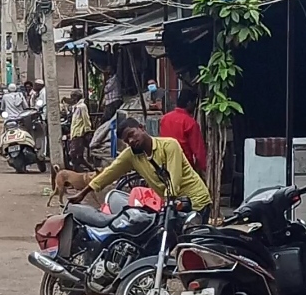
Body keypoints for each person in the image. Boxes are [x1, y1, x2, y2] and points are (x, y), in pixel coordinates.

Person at [69, 118, 212, 222]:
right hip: (173, 206)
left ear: (142, 128)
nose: (131, 141)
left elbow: (173, 182)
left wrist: (166, 206)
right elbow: (109, 173)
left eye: (132, 134)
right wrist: (83, 193)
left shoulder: (169, 146)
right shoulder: (131, 155)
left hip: (196, 202)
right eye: (126, 140)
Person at [158, 89, 207, 174]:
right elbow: (199, 151)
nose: (195, 106)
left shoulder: (165, 118)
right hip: (184, 166)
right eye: (194, 103)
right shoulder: (190, 123)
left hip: (166, 163)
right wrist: (205, 168)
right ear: (188, 103)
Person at [68, 90, 94, 171]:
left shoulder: (82, 107)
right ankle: (90, 168)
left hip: (79, 134)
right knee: (78, 156)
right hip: (75, 133)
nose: (71, 99)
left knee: (74, 154)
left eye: (72, 97)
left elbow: (86, 119)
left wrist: (87, 131)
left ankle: (78, 170)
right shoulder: (76, 107)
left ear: (76, 97)